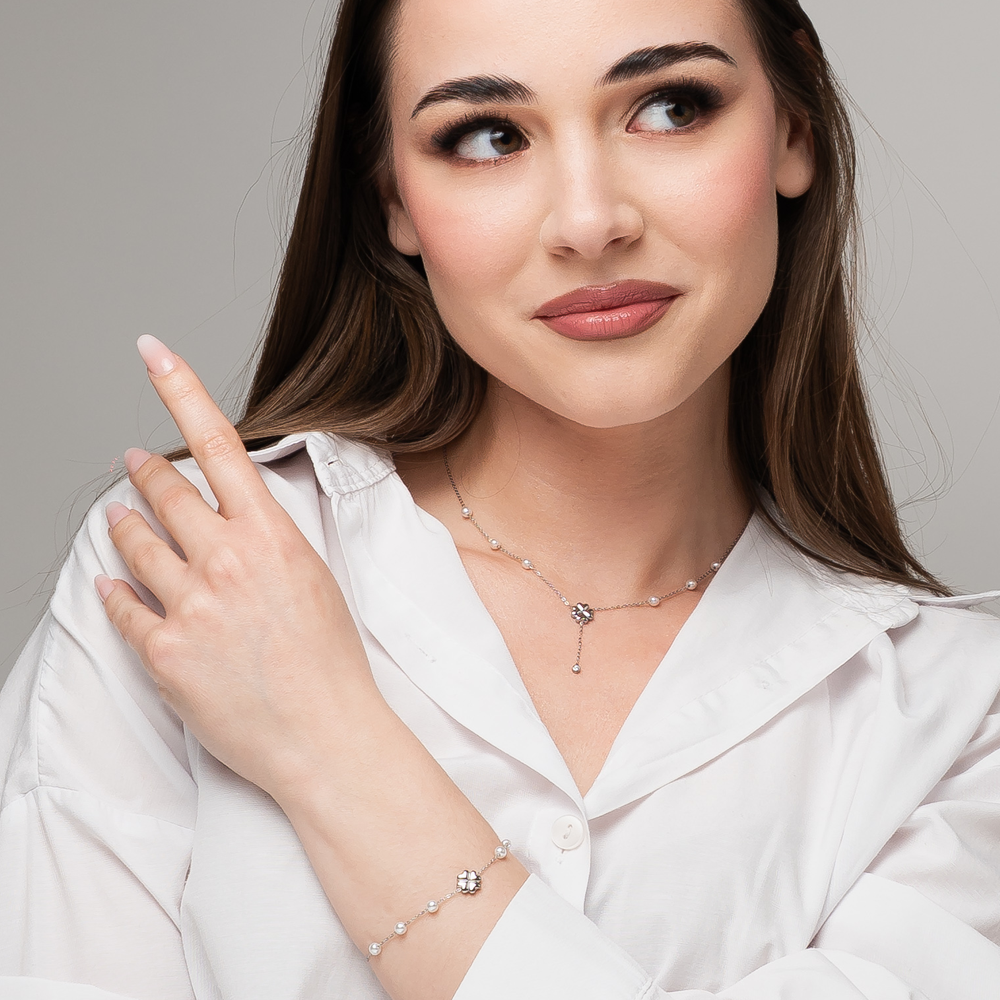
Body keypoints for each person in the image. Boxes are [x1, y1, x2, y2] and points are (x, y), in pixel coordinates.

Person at [1, 0, 998, 996]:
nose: (589, 220)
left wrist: (330, 746)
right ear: (390, 191)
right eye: (487, 135)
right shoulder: (197, 575)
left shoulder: (957, 718)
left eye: (668, 106)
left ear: (792, 126)